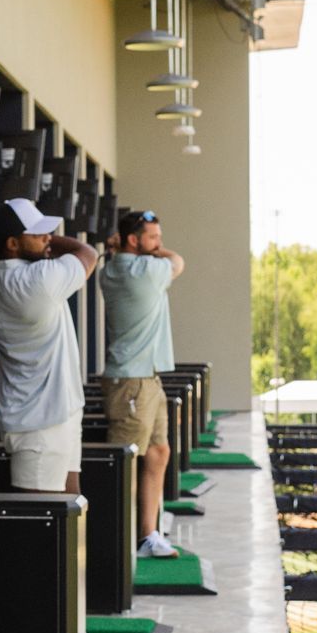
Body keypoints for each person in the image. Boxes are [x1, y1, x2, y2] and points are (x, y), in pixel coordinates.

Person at [0, 196, 97, 491]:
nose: (48, 238)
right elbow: (86, 252)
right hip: (40, 426)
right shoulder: (40, 279)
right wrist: (18, 238)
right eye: (38, 234)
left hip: (53, 413)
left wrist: (11, 235)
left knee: (71, 507)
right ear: (12, 244)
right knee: (40, 519)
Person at [100, 205, 186, 558]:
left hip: (146, 379)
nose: (159, 244)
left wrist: (125, 246)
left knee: (158, 452)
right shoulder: (145, 271)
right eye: (153, 238)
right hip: (132, 383)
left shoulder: (115, 267)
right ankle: (118, 544)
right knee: (126, 465)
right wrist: (156, 250)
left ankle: (148, 534)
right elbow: (178, 260)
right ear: (133, 240)